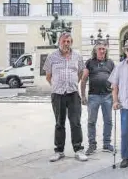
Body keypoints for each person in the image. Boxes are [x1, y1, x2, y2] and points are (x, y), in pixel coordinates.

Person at [43, 32, 88, 162]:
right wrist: (57, 86)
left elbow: (80, 73)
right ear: (59, 42)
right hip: (57, 94)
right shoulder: (52, 57)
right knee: (59, 123)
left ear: (71, 43)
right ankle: (59, 151)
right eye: (64, 41)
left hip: (73, 93)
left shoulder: (77, 56)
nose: (66, 44)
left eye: (69, 41)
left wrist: (73, 84)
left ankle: (78, 149)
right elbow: (48, 76)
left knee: (76, 122)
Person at [108, 39, 128, 168]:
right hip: (125, 105)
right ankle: (126, 157)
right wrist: (115, 101)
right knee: (125, 132)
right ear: (124, 51)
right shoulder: (119, 66)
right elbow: (114, 86)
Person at [81, 41, 115, 155]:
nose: (102, 51)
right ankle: (92, 145)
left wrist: (116, 98)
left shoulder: (110, 63)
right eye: (99, 49)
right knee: (91, 121)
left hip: (108, 96)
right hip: (93, 96)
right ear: (95, 51)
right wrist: (82, 95)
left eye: (103, 49)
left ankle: (106, 144)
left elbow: (115, 81)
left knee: (108, 121)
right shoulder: (89, 62)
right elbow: (84, 79)